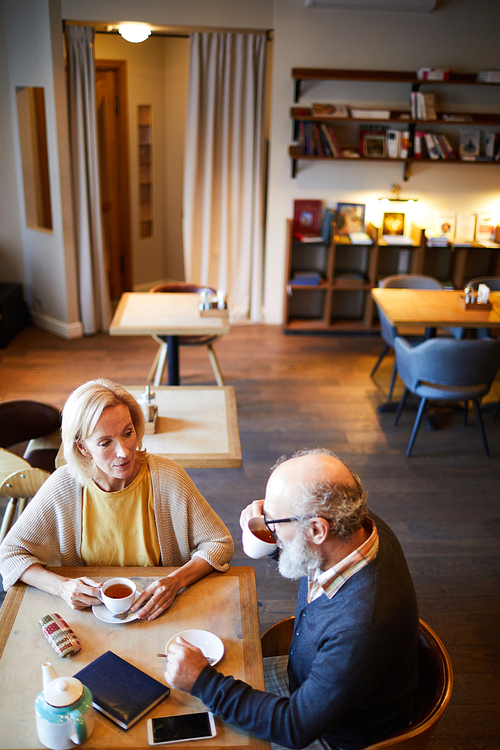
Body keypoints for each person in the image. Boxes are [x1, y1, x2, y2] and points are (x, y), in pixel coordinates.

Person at [165, 449, 419, 750]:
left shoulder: (363, 625)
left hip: (333, 734)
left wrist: (203, 681)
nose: (265, 525)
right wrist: (269, 535)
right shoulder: (353, 524)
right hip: (310, 679)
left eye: (273, 521)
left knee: (189, 719)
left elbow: (293, 727)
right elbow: (305, 553)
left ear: (316, 529)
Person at [0, 378, 233, 620]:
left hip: (161, 611)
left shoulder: (168, 476)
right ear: (82, 448)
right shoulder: (64, 484)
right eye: (105, 443)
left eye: (128, 433)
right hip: (89, 617)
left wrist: (175, 581)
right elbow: (9, 555)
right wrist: (62, 586)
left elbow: (220, 543)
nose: (123, 452)